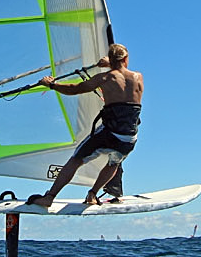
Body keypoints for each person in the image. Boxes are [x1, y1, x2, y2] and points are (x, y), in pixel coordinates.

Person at [26, 43, 142, 207]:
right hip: (128, 137)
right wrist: (111, 63)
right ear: (125, 59)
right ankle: (93, 194)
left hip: (108, 134)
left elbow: (74, 89)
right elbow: (122, 73)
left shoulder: (103, 78)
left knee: (76, 159)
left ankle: (49, 197)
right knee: (114, 162)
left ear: (112, 58)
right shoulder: (138, 77)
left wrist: (51, 84)